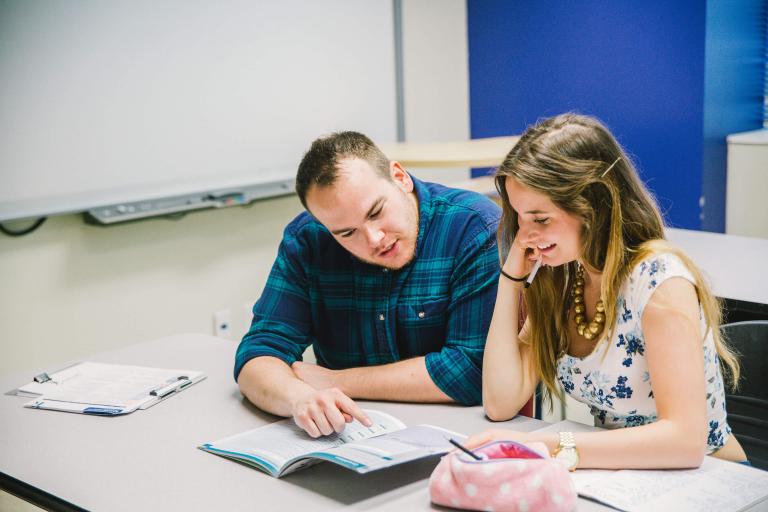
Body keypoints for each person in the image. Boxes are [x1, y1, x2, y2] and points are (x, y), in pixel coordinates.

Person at [468, 113, 747, 469]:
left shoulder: (659, 281)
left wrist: (552, 443)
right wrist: (510, 280)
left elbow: (686, 441)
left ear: (593, 206)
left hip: (713, 479)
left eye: (541, 219)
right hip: (628, 478)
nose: (525, 235)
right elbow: (500, 402)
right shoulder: (566, 274)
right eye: (519, 217)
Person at [235, 131, 501, 438]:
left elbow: (473, 370)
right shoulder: (307, 239)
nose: (374, 239)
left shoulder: (474, 226)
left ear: (400, 177)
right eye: (347, 233)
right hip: (349, 437)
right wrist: (300, 398)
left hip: (463, 435)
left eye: (376, 212)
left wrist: (336, 381)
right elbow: (259, 352)